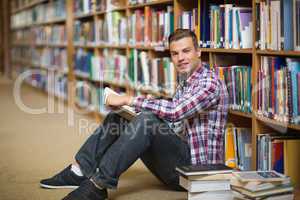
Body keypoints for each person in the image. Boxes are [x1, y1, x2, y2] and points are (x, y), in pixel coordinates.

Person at [40, 29, 229, 200]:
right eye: (174, 53)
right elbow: (173, 123)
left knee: (146, 119)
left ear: (199, 52)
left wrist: (128, 100)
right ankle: (79, 170)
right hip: (177, 162)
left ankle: (98, 185)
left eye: (186, 51)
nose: (180, 58)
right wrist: (131, 112)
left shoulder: (209, 83)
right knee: (121, 117)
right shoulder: (186, 82)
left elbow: (175, 111)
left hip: (197, 172)